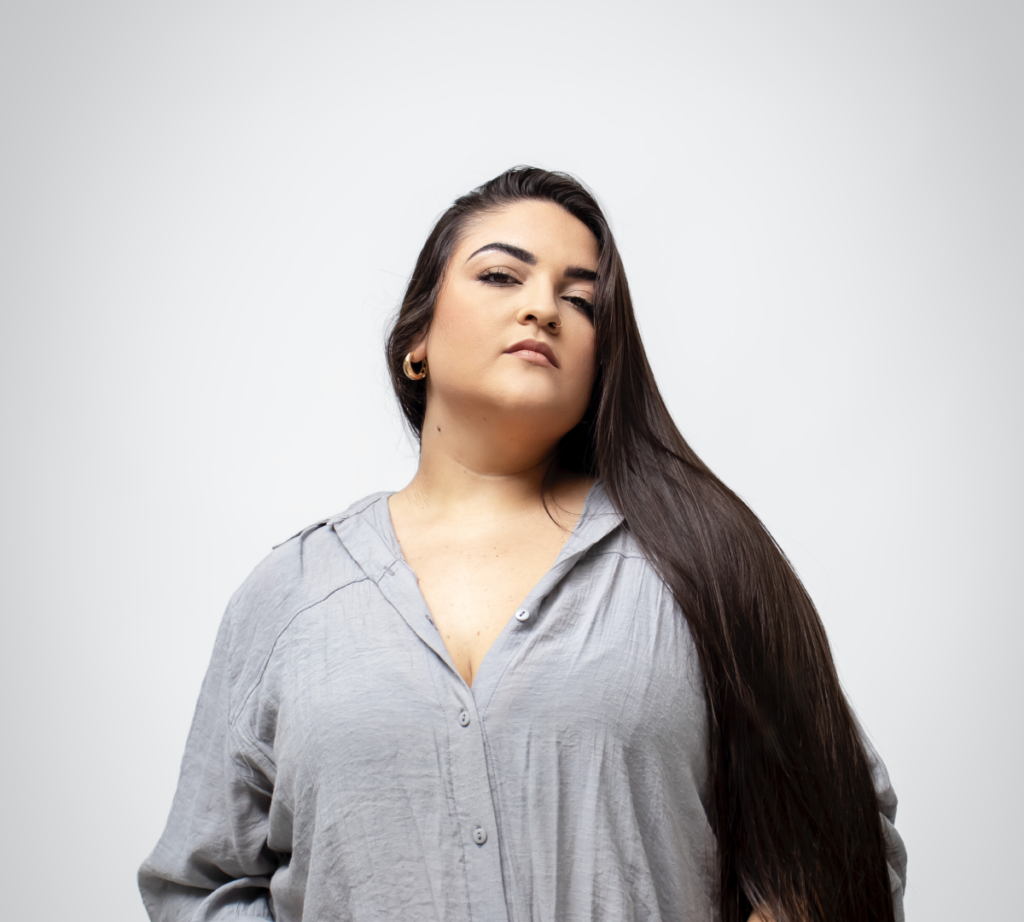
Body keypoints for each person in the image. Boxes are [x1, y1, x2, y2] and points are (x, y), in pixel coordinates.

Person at [138, 167, 906, 922]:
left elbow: (844, 836)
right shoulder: (290, 596)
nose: (543, 308)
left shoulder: (701, 564)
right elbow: (200, 887)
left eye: (581, 300)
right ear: (416, 341)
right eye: (502, 276)